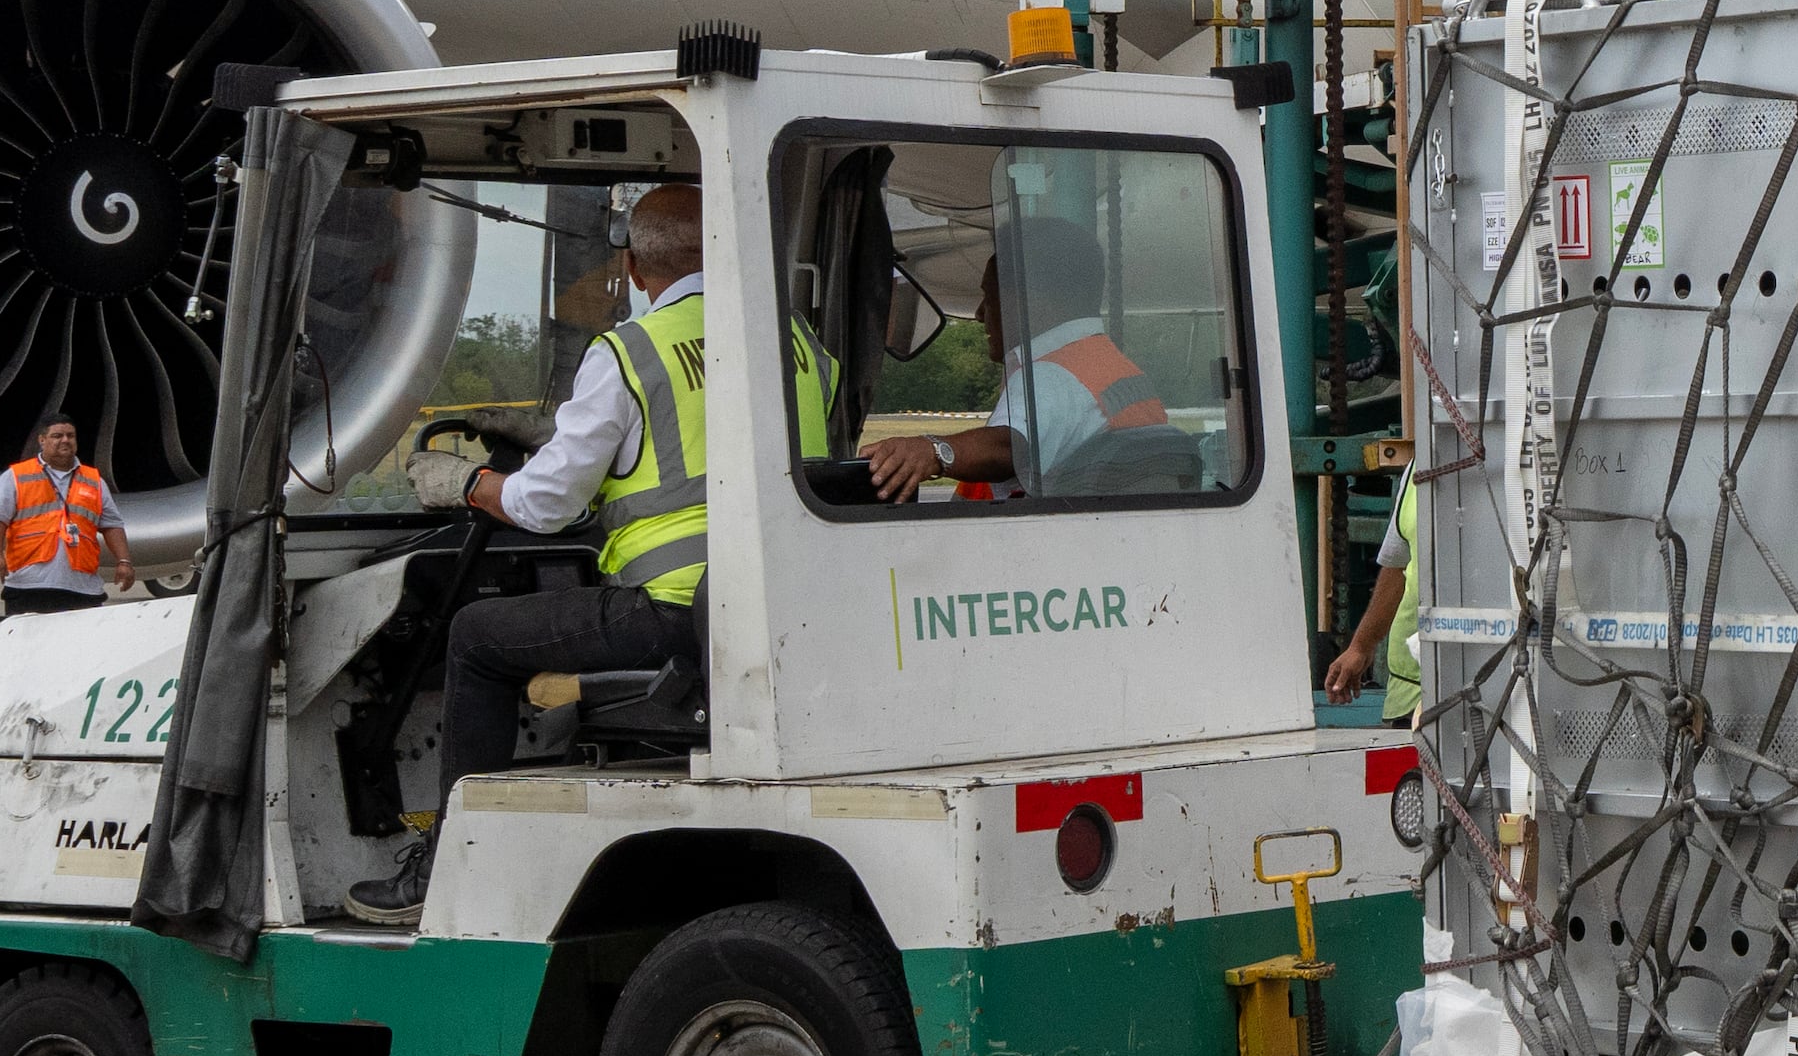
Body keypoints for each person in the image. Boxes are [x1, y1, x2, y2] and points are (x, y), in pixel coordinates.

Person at [347, 183, 837, 929]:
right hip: (780, 613)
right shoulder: (797, 343)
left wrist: (468, 483)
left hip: (673, 613)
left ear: (634, 270)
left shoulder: (630, 351)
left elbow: (547, 505)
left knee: (477, 638)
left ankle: (449, 863)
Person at [860, 218, 1177, 500]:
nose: (980, 313)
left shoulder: (1050, 376)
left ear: (1031, 299)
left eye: (991, 295)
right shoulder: (1110, 364)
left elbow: (1009, 446)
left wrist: (931, 451)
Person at [0, 416, 131, 618]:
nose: (65, 440)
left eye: (70, 436)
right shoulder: (16, 476)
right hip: (29, 585)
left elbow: (112, 525)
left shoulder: (94, 481)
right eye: (57, 436)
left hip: (82, 587)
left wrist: (124, 561)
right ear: (42, 440)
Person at [1320, 486, 1418, 720]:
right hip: (1411, 698)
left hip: (1487, 689)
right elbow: (1397, 564)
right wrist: (1361, 646)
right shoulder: (1417, 470)